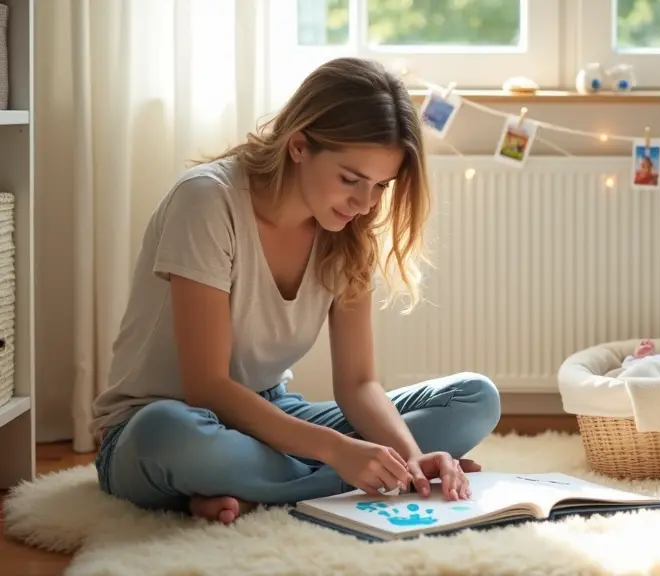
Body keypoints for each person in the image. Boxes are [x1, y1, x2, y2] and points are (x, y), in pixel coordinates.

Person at [88, 57, 501, 525]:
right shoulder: (206, 201)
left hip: (271, 413)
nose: (365, 205)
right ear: (299, 145)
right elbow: (207, 387)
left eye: (380, 187)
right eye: (351, 179)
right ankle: (314, 481)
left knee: (475, 399)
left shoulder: (348, 231)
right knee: (167, 435)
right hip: (164, 422)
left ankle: (255, 485)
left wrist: (410, 458)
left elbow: (358, 384)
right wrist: (338, 451)